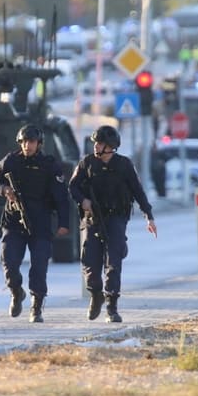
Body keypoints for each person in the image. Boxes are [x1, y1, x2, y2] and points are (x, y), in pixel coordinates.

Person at [69, 125, 157, 323]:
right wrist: (83, 201)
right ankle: (96, 294)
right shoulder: (87, 164)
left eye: (99, 143)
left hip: (116, 219)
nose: (96, 147)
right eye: (95, 143)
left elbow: (137, 191)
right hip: (92, 220)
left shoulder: (124, 165)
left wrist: (148, 216)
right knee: (89, 261)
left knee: (113, 263)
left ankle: (112, 306)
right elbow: (73, 187)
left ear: (110, 146)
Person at [0, 124, 70, 323]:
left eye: (31, 142)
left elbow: (61, 197)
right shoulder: (11, 161)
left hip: (40, 223)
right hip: (14, 221)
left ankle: (37, 305)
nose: (27, 145)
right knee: (9, 260)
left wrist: (63, 223)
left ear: (39, 144)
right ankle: (16, 291)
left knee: (39, 265)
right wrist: (4, 189)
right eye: (24, 142)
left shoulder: (49, 165)